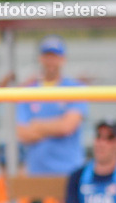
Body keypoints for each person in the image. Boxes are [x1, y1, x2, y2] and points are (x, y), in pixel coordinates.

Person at [16, 35, 87, 177]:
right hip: (37, 172)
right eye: (47, 56)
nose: (51, 61)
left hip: (69, 170)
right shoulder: (28, 91)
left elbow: (67, 127)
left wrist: (37, 125)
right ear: (40, 58)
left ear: (63, 59)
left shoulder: (75, 88)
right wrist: (56, 126)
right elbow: (23, 133)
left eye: (55, 56)